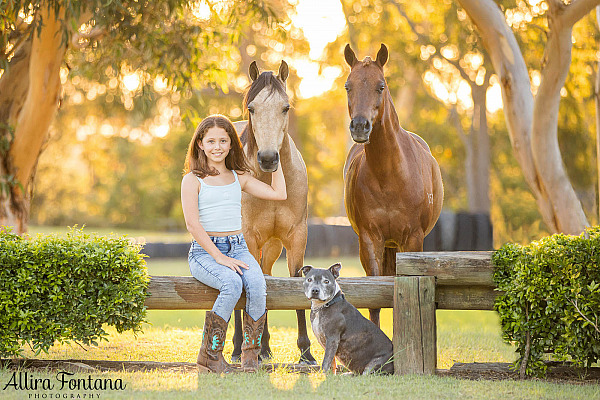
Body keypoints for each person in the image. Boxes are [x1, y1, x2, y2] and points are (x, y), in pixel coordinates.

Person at [181, 114, 286, 373]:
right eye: (211, 141)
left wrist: (277, 159)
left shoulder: (239, 177)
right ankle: (210, 356)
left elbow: (279, 194)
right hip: (205, 253)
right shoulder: (192, 180)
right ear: (200, 145)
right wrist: (219, 257)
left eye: (223, 141)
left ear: (231, 146)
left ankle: (250, 357)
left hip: (237, 247)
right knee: (231, 283)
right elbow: (193, 225)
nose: (217, 147)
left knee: (258, 285)